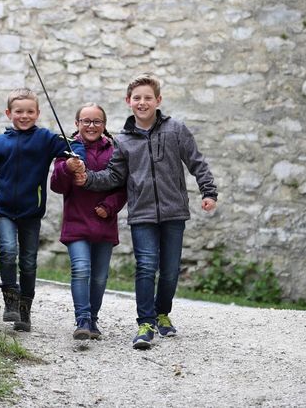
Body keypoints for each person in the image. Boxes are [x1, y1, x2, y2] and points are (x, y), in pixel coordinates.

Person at [70, 72, 217, 349]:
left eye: (148, 97)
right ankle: (145, 323)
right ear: (128, 101)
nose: (142, 102)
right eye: (137, 98)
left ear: (158, 100)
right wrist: (87, 177)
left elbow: (197, 162)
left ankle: (163, 313)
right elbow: (114, 176)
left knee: (171, 270)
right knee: (146, 267)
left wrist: (208, 191)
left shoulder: (176, 130)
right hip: (141, 215)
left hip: (174, 212)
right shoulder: (123, 141)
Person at [0, 87, 86, 332]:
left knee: (28, 262)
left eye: (29, 111)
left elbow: (75, 148)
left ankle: (24, 312)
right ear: (9, 113)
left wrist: (76, 160)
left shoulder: (45, 139)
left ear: (37, 113)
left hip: (31, 211)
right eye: (19, 111)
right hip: (3, 208)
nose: (24, 116)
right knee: (8, 251)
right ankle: (11, 301)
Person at [50, 103, 127, 340]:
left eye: (96, 122)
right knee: (81, 269)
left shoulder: (115, 150)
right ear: (77, 124)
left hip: (104, 222)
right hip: (76, 222)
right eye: (86, 121)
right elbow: (57, 185)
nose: (91, 126)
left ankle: (93, 319)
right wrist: (67, 169)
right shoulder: (68, 150)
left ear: (104, 125)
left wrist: (109, 207)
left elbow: (123, 186)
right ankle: (82, 319)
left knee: (100, 276)